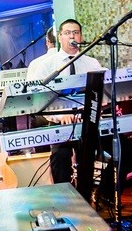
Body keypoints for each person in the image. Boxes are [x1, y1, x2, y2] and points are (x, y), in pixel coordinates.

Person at [25, 19, 103, 184]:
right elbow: (39, 100)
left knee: (95, 154)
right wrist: (61, 116)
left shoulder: (92, 64)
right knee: (60, 156)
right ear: (60, 37)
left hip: (85, 122)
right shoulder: (46, 65)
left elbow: (102, 93)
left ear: (81, 37)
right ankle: (64, 195)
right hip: (58, 123)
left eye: (75, 32)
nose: (72, 36)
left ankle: (89, 192)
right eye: (67, 33)